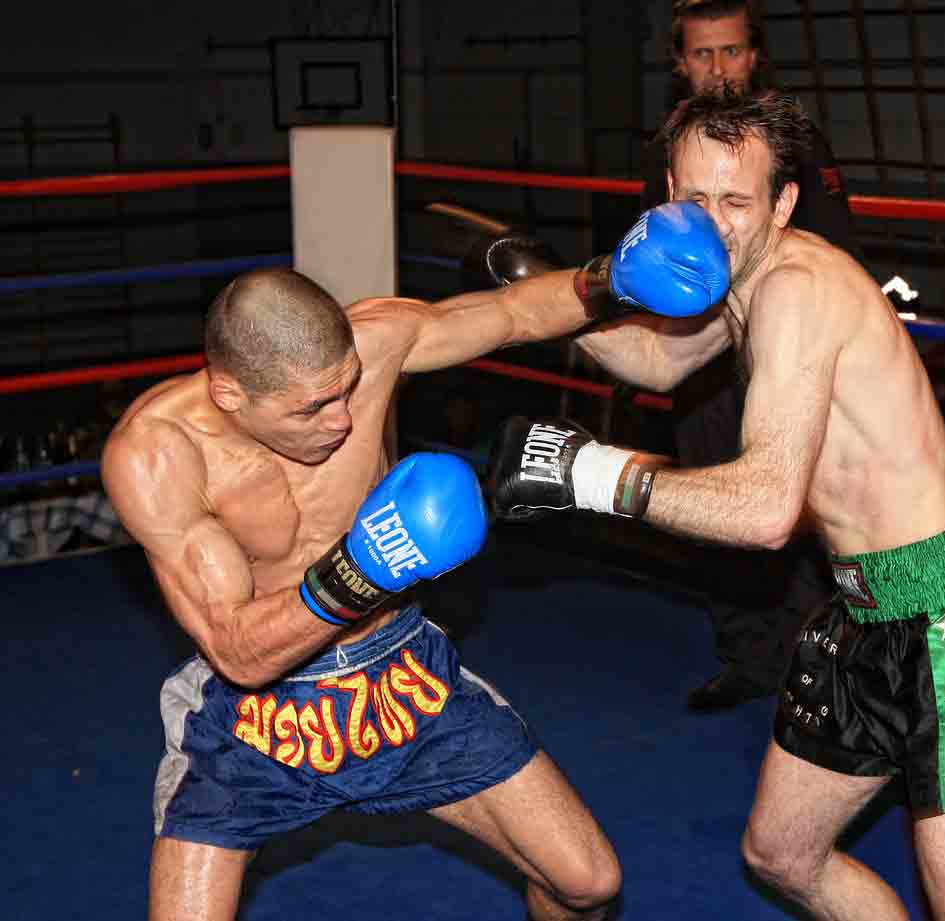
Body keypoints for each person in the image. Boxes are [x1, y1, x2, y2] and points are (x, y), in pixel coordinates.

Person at [489, 90, 945, 920]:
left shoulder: (799, 290)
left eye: (736, 202)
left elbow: (766, 509)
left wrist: (590, 474)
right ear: (668, 191)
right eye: (694, 199)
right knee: (782, 855)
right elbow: (661, 361)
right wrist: (556, 299)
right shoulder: (738, 279)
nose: (711, 223)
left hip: (944, 618)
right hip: (859, 611)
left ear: (782, 203)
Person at [100, 199, 730, 921]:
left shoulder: (375, 345)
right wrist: (363, 567)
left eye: (346, 392)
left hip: (401, 677)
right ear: (229, 394)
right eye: (311, 409)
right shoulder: (156, 455)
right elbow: (237, 651)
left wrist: (610, 278)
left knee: (587, 883)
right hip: (255, 717)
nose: (342, 421)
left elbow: (515, 314)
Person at [646, 0, 862, 712]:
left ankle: (811, 667)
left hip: (783, 348)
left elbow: (837, 255)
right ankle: (746, 655)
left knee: (794, 506)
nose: (718, 69)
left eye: (731, 52)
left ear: (755, 55)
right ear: (681, 64)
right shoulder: (674, 145)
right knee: (715, 502)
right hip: (700, 359)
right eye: (703, 55)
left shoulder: (793, 140)